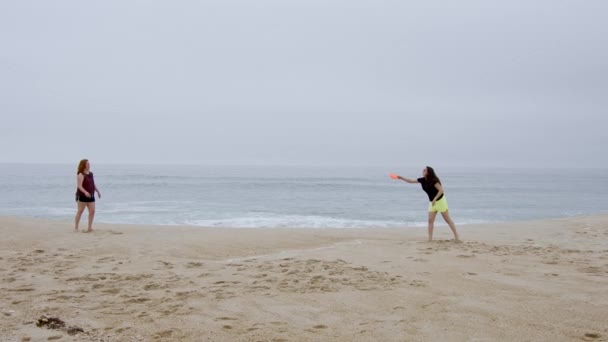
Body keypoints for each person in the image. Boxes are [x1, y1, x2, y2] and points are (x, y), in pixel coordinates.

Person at [395, 166, 460, 242]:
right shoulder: (422, 180)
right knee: (430, 220)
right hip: (432, 203)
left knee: (447, 220)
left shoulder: (434, 181)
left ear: (428, 172)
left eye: (424, 170)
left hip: (440, 201)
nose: (423, 170)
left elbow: (441, 190)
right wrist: (401, 178)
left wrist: (435, 199)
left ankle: (456, 236)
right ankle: (430, 239)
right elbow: (410, 181)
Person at [74, 159, 101, 232]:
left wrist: (97, 191)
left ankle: (89, 227)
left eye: (89, 164)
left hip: (91, 196)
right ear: (83, 165)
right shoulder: (81, 174)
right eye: (87, 164)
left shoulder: (91, 174)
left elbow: (93, 183)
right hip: (83, 196)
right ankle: (76, 227)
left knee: (92, 211)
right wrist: (85, 192)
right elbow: (79, 186)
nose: (89, 165)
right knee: (80, 211)